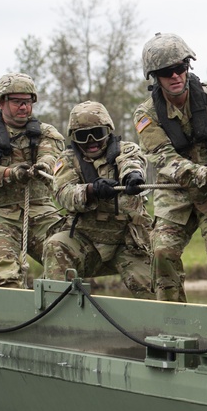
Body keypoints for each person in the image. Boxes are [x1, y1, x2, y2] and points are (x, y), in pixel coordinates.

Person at [133, 32, 207, 307]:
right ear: (155, 77)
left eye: (180, 68)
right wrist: (204, 175)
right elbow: (164, 159)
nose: (175, 76)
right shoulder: (146, 115)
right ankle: (172, 322)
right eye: (166, 71)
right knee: (162, 253)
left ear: (188, 68)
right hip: (175, 194)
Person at [42, 101, 154, 299]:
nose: (91, 141)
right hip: (86, 241)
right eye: (83, 136)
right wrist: (91, 190)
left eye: (97, 133)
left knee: (153, 291)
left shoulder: (126, 149)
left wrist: (133, 176)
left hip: (127, 241)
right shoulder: (67, 160)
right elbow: (63, 193)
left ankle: (163, 326)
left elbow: (132, 162)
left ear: (108, 131)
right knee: (55, 245)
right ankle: (57, 316)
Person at [0, 73, 63, 288]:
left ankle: (60, 314)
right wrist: (12, 173)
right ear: (2, 102)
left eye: (27, 102)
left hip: (40, 212)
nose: (23, 107)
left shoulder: (47, 133)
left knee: (65, 257)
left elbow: (51, 156)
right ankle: (9, 319)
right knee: (6, 274)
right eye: (17, 102)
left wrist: (43, 166)